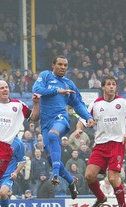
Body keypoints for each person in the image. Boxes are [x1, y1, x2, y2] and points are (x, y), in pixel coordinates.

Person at [76, 75, 126, 207]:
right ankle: (100, 198)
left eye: (114, 84)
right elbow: (82, 119)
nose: (112, 86)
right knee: (89, 176)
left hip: (117, 144)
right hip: (100, 145)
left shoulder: (123, 102)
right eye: (109, 84)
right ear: (103, 87)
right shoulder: (96, 104)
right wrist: (79, 129)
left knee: (112, 178)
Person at [32, 55, 94, 199]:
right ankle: (71, 181)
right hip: (45, 122)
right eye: (60, 64)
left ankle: (54, 174)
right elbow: (37, 89)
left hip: (60, 118)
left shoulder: (69, 84)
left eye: (65, 65)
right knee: (50, 158)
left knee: (54, 136)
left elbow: (77, 103)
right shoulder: (46, 76)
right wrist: (57, 91)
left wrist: (88, 117)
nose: (63, 67)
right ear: (53, 65)